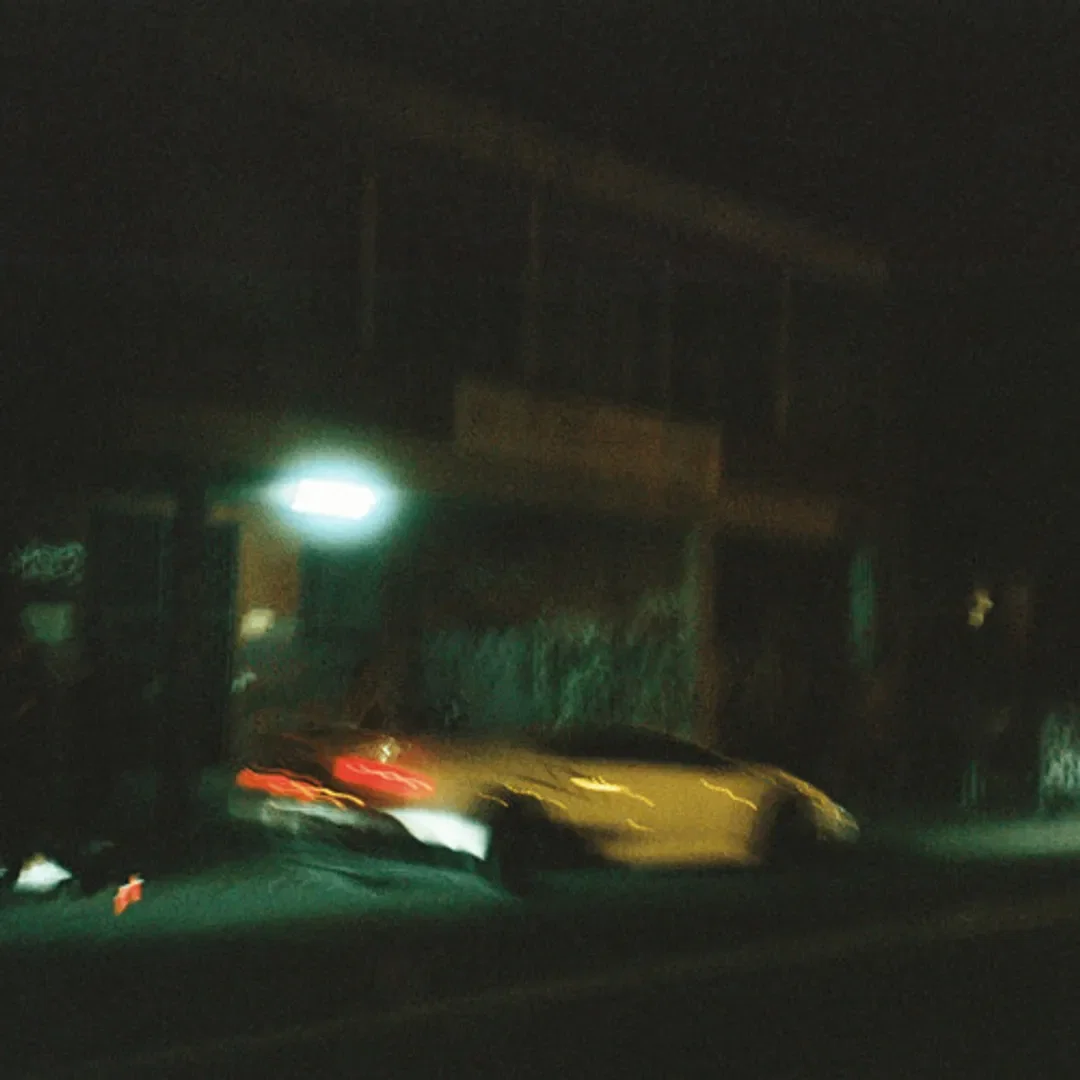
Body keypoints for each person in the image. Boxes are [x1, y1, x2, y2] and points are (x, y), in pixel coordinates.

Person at [0, 605, 58, 896]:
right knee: (20, 805)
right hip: (22, 748)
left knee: (18, 805)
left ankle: (17, 859)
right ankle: (19, 859)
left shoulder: (23, 673)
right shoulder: (29, 671)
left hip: (20, 748)